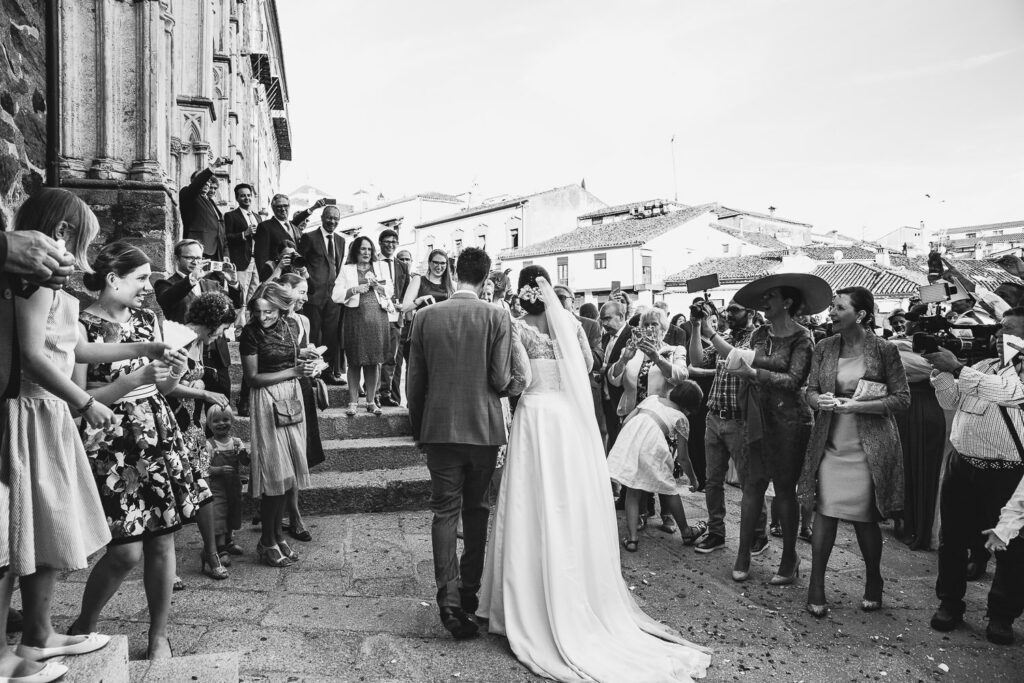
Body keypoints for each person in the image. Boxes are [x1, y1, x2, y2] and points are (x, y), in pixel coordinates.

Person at [479, 266, 711, 681]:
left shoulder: (515, 327)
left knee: (529, 501)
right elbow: (588, 365)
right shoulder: (569, 323)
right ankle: (572, 585)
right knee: (565, 501)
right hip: (567, 422)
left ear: (522, 292)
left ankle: (526, 595)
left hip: (535, 417)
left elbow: (520, 380)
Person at [2, 191, 173, 681]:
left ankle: (41, 630)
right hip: (34, 410)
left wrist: (150, 343)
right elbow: (35, 357)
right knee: (19, 536)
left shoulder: (59, 292)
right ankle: (19, 642)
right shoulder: (31, 285)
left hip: (52, 415)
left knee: (46, 527)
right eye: (83, 243)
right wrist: (86, 402)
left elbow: (84, 348)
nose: (82, 258)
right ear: (61, 234)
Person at [68, 241, 209, 660]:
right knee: (125, 550)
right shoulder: (79, 326)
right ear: (112, 279)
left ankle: (158, 635)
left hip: (157, 432)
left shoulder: (149, 318)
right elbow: (81, 399)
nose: (149, 287)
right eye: (141, 278)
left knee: (163, 542)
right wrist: (135, 379)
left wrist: (173, 374)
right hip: (111, 442)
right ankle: (84, 625)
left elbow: (161, 385)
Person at [407, 247, 514, 640]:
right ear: (486, 279)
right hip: (484, 430)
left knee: (444, 512)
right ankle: (470, 591)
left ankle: (448, 599)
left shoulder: (424, 317)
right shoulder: (496, 316)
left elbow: (414, 383)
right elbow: (501, 380)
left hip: (439, 429)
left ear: (454, 272)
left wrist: (420, 429)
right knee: (477, 508)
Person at [799, 287, 910, 617]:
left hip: (868, 448)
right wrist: (817, 401)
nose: (831, 312)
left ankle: (874, 579)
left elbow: (902, 399)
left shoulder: (885, 349)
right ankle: (816, 584)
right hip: (830, 444)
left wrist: (860, 405)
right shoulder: (824, 346)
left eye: (839, 307)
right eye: (832, 306)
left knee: (865, 519)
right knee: (826, 511)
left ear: (860, 315)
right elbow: (810, 390)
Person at [715, 273, 829, 584]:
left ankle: (789, 557)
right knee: (751, 485)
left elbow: (794, 381)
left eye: (771, 297)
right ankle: (742, 553)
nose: (765, 302)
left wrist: (755, 374)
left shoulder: (804, 338)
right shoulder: (759, 334)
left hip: (791, 421)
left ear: (787, 302)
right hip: (756, 416)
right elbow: (746, 363)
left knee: (783, 492)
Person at [924, 307, 1024, 645]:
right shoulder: (981, 367)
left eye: (1009, 332)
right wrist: (940, 372)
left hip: (1010, 476)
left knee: (1011, 549)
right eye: (1000, 330)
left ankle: (1001, 616)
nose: (998, 337)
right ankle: (949, 603)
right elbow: (950, 401)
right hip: (963, 467)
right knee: (951, 541)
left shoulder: (1010, 376)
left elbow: (1004, 392)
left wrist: (956, 367)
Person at [239, 281, 316, 567]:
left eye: (269, 311)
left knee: (289, 476)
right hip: (266, 399)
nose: (263, 317)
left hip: (291, 398)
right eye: (259, 312)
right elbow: (253, 379)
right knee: (275, 474)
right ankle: (267, 541)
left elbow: (292, 355)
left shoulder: (290, 325)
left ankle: (275, 535)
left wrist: (308, 360)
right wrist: (293, 371)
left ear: (281, 308)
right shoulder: (250, 333)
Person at [165, 292, 237, 581]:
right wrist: (204, 391)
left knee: (203, 489)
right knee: (171, 495)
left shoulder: (198, 343)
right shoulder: (178, 338)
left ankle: (210, 553)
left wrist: (202, 383)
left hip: (193, 425)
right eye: (223, 327)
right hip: (172, 424)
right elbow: (166, 387)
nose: (223, 333)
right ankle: (166, 567)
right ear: (213, 322)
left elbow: (191, 378)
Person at [688, 300, 769, 556]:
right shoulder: (724, 336)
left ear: (751, 312)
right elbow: (698, 359)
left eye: (735, 310)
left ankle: (759, 535)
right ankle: (716, 532)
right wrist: (695, 326)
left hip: (740, 420)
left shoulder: (758, 339)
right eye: (728, 310)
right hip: (715, 416)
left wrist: (710, 333)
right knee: (712, 481)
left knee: (749, 482)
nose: (728, 314)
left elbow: (734, 357)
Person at [608, 308, 689, 532]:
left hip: (661, 417)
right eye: (646, 325)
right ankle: (642, 513)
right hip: (633, 415)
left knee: (663, 465)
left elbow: (681, 376)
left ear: (664, 329)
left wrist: (656, 357)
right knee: (636, 466)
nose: (650, 329)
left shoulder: (674, 350)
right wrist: (623, 359)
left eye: (654, 324)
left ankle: (667, 515)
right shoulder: (630, 350)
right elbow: (614, 380)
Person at [609, 381, 709, 551]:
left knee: (632, 491)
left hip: (630, 441)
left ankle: (632, 539)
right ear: (691, 405)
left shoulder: (651, 399)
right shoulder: (681, 418)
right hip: (652, 445)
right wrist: (694, 479)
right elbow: (684, 458)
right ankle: (686, 531)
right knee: (669, 488)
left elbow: (626, 421)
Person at [155, 239, 242, 409]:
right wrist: (191, 278)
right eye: (190, 258)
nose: (196, 262)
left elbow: (233, 306)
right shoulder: (165, 284)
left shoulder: (211, 284)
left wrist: (232, 283)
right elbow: (166, 300)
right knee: (190, 407)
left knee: (221, 406)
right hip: (185, 354)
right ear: (177, 259)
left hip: (216, 354)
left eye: (199, 258)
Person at [891, 312, 946, 550]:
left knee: (921, 468)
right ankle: (906, 517)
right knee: (904, 465)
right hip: (911, 409)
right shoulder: (895, 345)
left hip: (929, 410)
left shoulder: (895, 347)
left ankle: (917, 522)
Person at [276, 272, 322, 541]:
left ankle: (291, 511)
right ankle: (290, 514)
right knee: (287, 451)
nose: (305, 297)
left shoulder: (302, 320)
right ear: (286, 290)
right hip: (282, 388)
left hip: (302, 388)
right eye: (301, 291)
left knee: (299, 452)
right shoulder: (273, 319)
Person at [332, 236, 391, 416]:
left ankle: (371, 402)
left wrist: (378, 287)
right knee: (355, 360)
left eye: (369, 249)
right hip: (355, 317)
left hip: (377, 317)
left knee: (373, 361)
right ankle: (353, 402)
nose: (366, 253)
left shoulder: (381, 266)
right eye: (362, 249)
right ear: (356, 251)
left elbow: (390, 291)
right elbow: (336, 295)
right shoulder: (347, 269)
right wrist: (354, 290)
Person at [298, 203, 346, 384]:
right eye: (329, 217)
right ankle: (311, 374)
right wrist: (307, 286)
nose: (332, 221)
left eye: (336, 219)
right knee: (312, 335)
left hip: (334, 297)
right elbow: (300, 264)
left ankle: (328, 373)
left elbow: (339, 266)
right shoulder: (309, 238)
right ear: (322, 218)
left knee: (331, 336)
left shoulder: (341, 240)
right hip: (313, 295)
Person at [203, 406, 249, 560]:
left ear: (232, 421)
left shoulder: (236, 443)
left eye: (225, 419)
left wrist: (245, 455)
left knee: (233, 512)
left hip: (234, 486)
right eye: (216, 421)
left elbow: (245, 462)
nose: (221, 423)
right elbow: (204, 469)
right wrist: (219, 470)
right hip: (217, 488)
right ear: (209, 424)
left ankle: (229, 541)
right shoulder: (209, 445)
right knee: (219, 514)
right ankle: (220, 547)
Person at [400, 248, 455, 363]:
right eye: (436, 262)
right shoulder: (418, 280)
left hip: (445, 333)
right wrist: (420, 300)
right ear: (429, 263)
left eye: (442, 263)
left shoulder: (452, 285)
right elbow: (405, 307)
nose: (439, 266)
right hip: (423, 331)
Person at [376, 229, 408, 406]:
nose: (390, 245)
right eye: (387, 241)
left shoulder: (402, 265)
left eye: (394, 242)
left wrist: (403, 305)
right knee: (376, 355)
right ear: (380, 243)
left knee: (391, 357)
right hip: (377, 314)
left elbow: (406, 290)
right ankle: (373, 392)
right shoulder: (373, 263)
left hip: (396, 317)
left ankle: (385, 393)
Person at [179, 159, 230, 260]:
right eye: (205, 180)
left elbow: (221, 230)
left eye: (209, 181)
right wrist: (213, 167)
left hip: (216, 252)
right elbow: (196, 186)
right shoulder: (188, 195)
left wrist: (225, 253)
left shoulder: (211, 203)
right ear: (195, 182)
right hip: (198, 249)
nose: (207, 183)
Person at [598, 300, 632, 451]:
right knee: (612, 439)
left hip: (622, 398)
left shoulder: (631, 335)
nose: (604, 323)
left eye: (607, 318)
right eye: (602, 319)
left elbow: (629, 366)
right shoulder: (605, 338)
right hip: (606, 397)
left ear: (621, 316)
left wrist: (605, 368)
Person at [253, 194, 316, 272]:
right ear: (273, 208)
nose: (283, 209)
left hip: (297, 275)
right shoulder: (265, 227)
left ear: (289, 207)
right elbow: (261, 257)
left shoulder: (294, 227)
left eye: (285, 206)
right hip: (277, 276)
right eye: (279, 206)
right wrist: (265, 278)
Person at [223, 183, 259, 294]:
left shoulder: (258, 217)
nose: (247, 198)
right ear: (237, 198)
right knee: (241, 293)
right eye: (243, 195)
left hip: (257, 261)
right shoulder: (231, 216)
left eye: (249, 195)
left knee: (254, 293)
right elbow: (226, 237)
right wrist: (244, 233)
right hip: (241, 260)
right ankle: (240, 312)